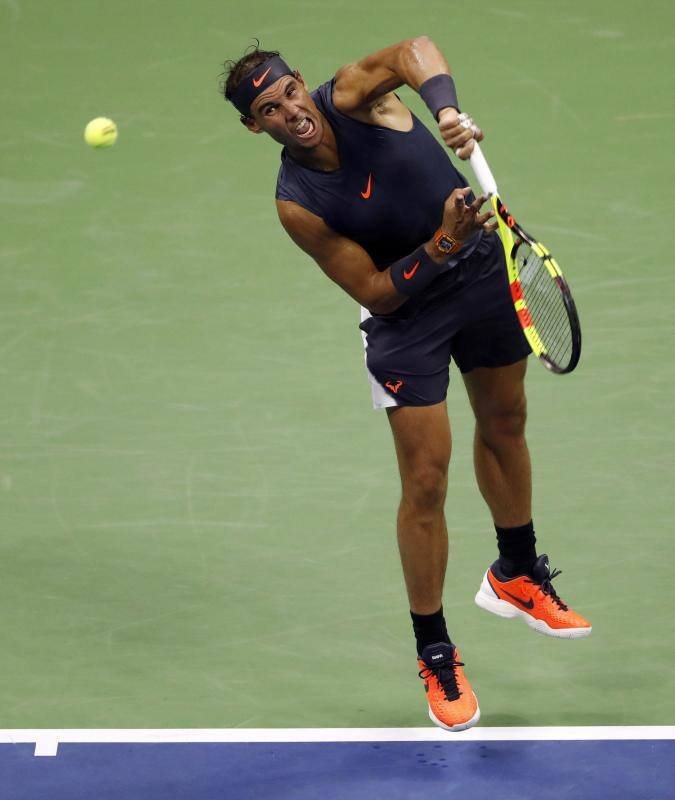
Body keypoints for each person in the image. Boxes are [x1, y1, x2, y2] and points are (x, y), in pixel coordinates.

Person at [220, 37, 591, 732]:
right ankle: (435, 651)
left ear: (302, 82)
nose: (288, 111)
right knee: (424, 480)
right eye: (268, 110)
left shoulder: (356, 93)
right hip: (407, 315)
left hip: (483, 275)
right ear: (254, 125)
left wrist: (446, 111)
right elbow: (374, 290)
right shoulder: (297, 202)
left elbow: (416, 51)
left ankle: (516, 572)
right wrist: (442, 243)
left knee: (505, 420)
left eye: (288, 92)